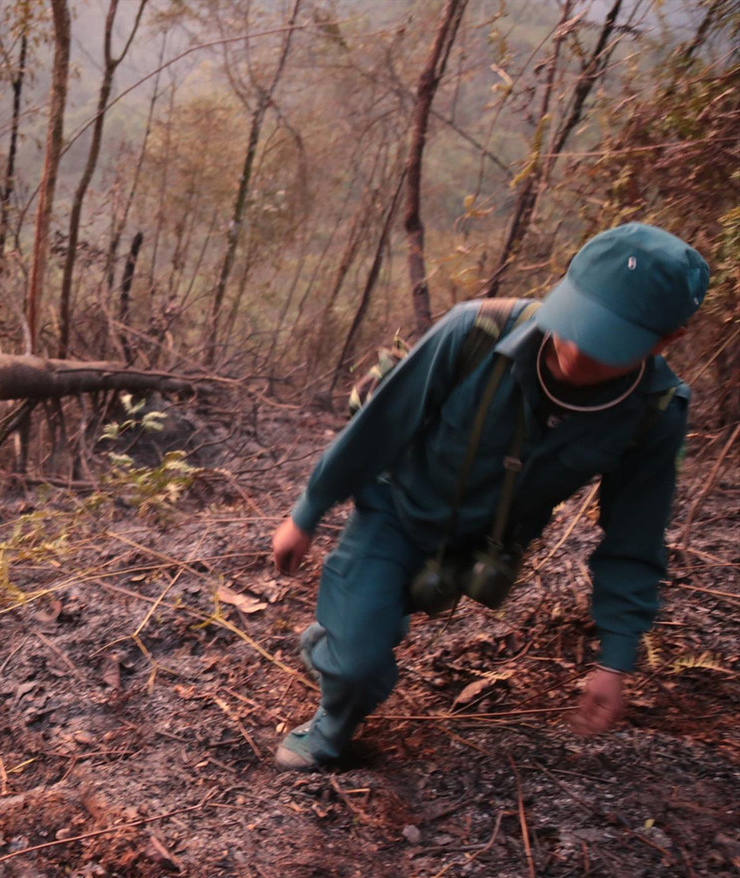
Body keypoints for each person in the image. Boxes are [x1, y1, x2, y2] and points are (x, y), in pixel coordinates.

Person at [269, 222, 709, 771]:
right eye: (578, 323)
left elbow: (633, 539)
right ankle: (333, 721)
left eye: (606, 343)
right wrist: (308, 511)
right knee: (357, 663)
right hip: (396, 510)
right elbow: (382, 425)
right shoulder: (474, 332)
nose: (576, 350)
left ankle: (345, 633)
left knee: (370, 621)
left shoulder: (653, 414)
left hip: (481, 544)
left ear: (668, 339)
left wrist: (615, 660)